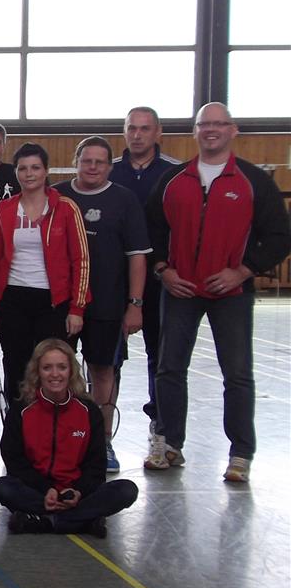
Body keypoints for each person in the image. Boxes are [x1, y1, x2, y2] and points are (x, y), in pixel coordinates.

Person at [146, 102, 290, 482]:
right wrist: (163, 270)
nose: (211, 130)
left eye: (219, 124)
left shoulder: (253, 181)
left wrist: (242, 271)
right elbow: (152, 231)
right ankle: (169, 443)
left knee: (237, 374)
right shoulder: (173, 180)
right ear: (195, 131)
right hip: (180, 290)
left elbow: (280, 236)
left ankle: (240, 454)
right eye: (204, 124)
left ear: (233, 130)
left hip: (232, 294)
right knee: (169, 369)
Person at [53, 136, 151, 474]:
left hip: (107, 304)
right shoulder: (58, 196)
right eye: (86, 161)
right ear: (76, 162)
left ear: (110, 166)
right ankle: (64, 439)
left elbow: (137, 256)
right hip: (62, 303)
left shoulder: (124, 200)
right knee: (58, 370)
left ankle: (101, 441)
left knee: (103, 372)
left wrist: (135, 304)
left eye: (99, 162)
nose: (92, 167)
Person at [0, 339, 140, 537]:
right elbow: (14, 461)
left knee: (126, 490)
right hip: (38, 491)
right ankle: (82, 521)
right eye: (47, 368)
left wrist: (79, 491)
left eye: (61, 367)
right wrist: (46, 490)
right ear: (37, 372)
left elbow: (96, 466)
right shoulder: (21, 410)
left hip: (77, 494)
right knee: (2, 487)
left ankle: (46, 521)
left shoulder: (89, 411)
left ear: (71, 371)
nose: (55, 374)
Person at [0, 142, 90, 400]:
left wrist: (77, 308)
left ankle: (54, 419)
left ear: (46, 171)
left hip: (53, 302)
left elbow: (81, 260)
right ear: (16, 172)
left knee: (52, 367)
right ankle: (17, 420)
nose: (29, 174)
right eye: (22, 168)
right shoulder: (4, 209)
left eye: (35, 168)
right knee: (15, 365)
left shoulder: (66, 208)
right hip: (13, 299)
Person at [109, 106, 180, 439]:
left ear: (158, 132)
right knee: (108, 358)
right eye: (131, 128)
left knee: (160, 355)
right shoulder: (108, 171)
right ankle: (102, 427)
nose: (137, 135)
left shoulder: (175, 174)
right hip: (112, 280)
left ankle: (161, 426)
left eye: (144, 128)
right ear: (124, 132)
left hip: (159, 280)